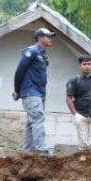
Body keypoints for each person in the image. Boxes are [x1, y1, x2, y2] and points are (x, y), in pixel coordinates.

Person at [12, 27, 55, 155]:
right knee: (38, 119)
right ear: (40, 38)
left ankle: (27, 153)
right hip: (31, 93)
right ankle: (41, 151)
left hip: (39, 94)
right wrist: (16, 90)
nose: (50, 39)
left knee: (32, 123)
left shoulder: (43, 55)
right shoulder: (32, 51)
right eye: (48, 36)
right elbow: (19, 71)